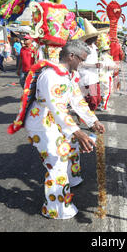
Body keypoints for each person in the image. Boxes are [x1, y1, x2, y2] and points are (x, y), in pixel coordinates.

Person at [22, 40, 106, 219]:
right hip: (42, 123)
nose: (82, 64)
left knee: (72, 148)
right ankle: (55, 208)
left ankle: (72, 179)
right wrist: (77, 131)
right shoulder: (51, 75)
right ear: (71, 56)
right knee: (57, 162)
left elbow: (77, 100)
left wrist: (92, 121)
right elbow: (57, 107)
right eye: (81, 60)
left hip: (56, 121)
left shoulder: (69, 75)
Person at [78, 19, 108, 112]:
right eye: (95, 36)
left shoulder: (94, 47)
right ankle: (88, 118)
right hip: (86, 78)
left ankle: (88, 116)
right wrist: (93, 65)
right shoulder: (84, 48)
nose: (97, 38)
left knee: (96, 99)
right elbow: (80, 63)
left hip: (94, 77)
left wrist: (99, 64)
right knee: (91, 100)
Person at [97, 34, 117, 111]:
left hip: (100, 77)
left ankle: (101, 105)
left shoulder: (99, 57)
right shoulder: (107, 58)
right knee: (106, 93)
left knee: (102, 92)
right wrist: (115, 67)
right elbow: (108, 67)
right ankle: (104, 107)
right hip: (106, 77)